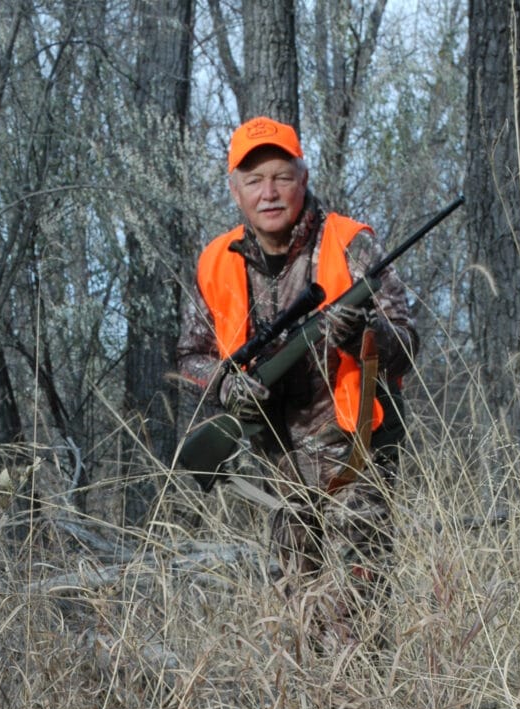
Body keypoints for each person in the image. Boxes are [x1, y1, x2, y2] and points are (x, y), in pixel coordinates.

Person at [177, 117, 418, 645]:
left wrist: (362, 336)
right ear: (235, 189)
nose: (269, 193)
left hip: (356, 461)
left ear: (303, 179)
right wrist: (225, 385)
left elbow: (406, 347)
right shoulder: (216, 262)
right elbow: (191, 358)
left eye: (282, 177)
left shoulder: (349, 244)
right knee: (296, 624)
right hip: (278, 470)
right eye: (254, 179)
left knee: (359, 617)